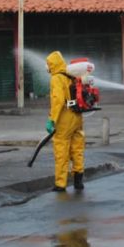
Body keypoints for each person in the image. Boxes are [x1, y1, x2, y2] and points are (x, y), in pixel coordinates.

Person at [46, 51, 85, 192]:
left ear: (53, 64)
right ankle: (78, 180)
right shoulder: (72, 76)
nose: (48, 67)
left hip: (64, 118)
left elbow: (58, 101)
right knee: (77, 149)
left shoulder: (56, 78)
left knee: (61, 150)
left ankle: (60, 184)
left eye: (49, 64)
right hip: (77, 116)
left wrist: (52, 120)